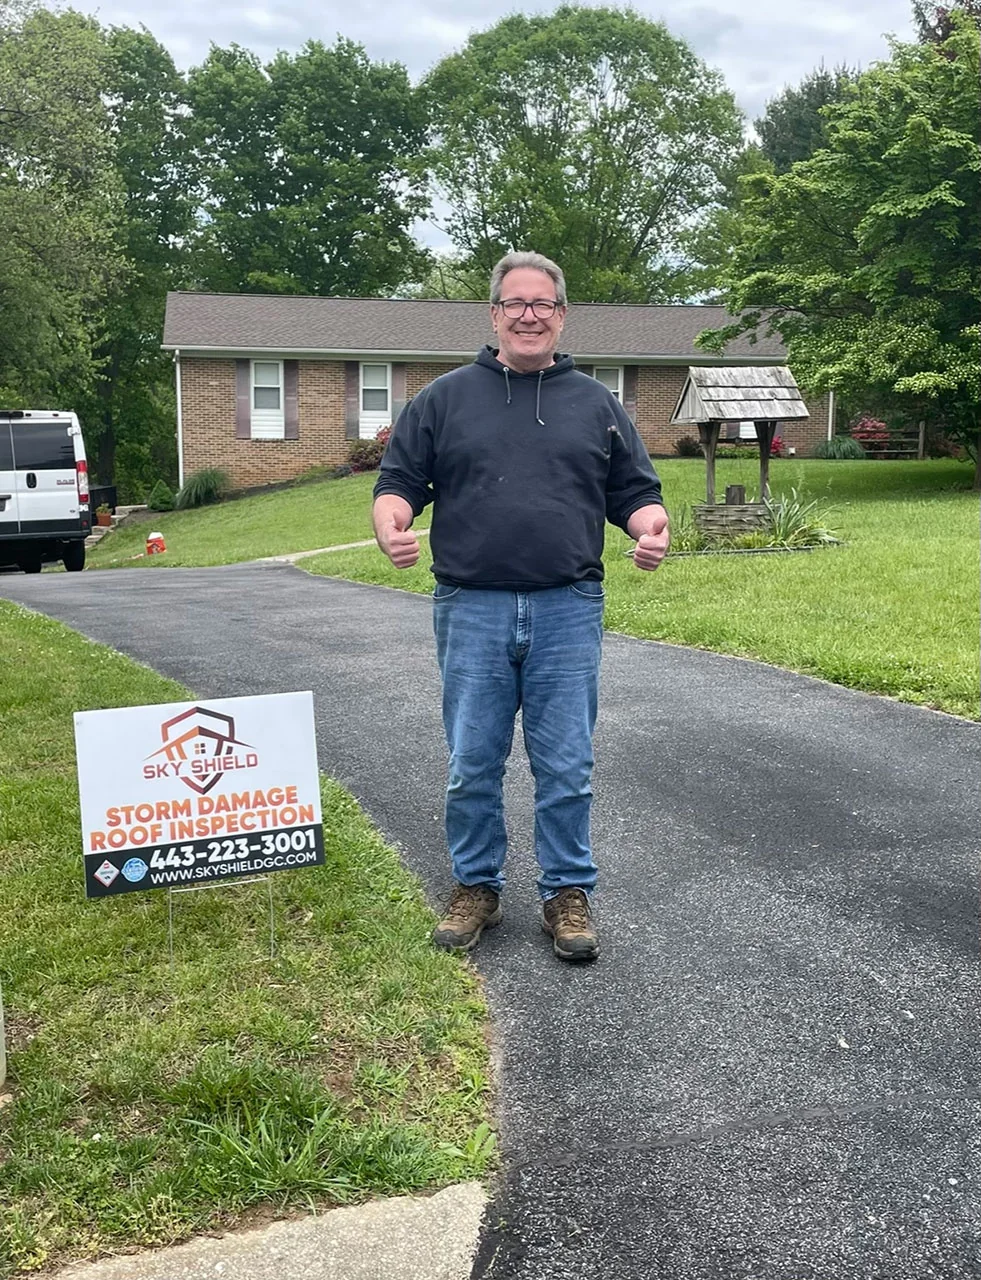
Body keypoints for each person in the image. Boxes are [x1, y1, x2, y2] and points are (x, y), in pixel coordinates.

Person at [372, 250, 668, 962]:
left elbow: (634, 492)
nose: (528, 315)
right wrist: (391, 524)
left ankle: (566, 893)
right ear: (494, 313)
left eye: (543, 304)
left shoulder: (597, 405)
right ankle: (477, 887)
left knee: (566, 766)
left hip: (568, 606)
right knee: (472, 762)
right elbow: (399, 481)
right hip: (470, 606)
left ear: (561, 316)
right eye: (515, 302)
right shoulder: (443, 399)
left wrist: (650, 527)